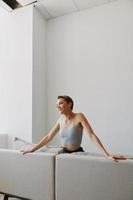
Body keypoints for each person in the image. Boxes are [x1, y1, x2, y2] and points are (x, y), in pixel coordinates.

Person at [22, 95, 126, 161]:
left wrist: (106, 155)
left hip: (77, 153)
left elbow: (91, 135)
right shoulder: (60, 120)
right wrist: (33, 149)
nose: (58, 106)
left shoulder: (79, 116)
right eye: (57, 105)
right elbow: (49, 136)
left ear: (69, 104)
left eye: (61, 103)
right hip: (63, 154)